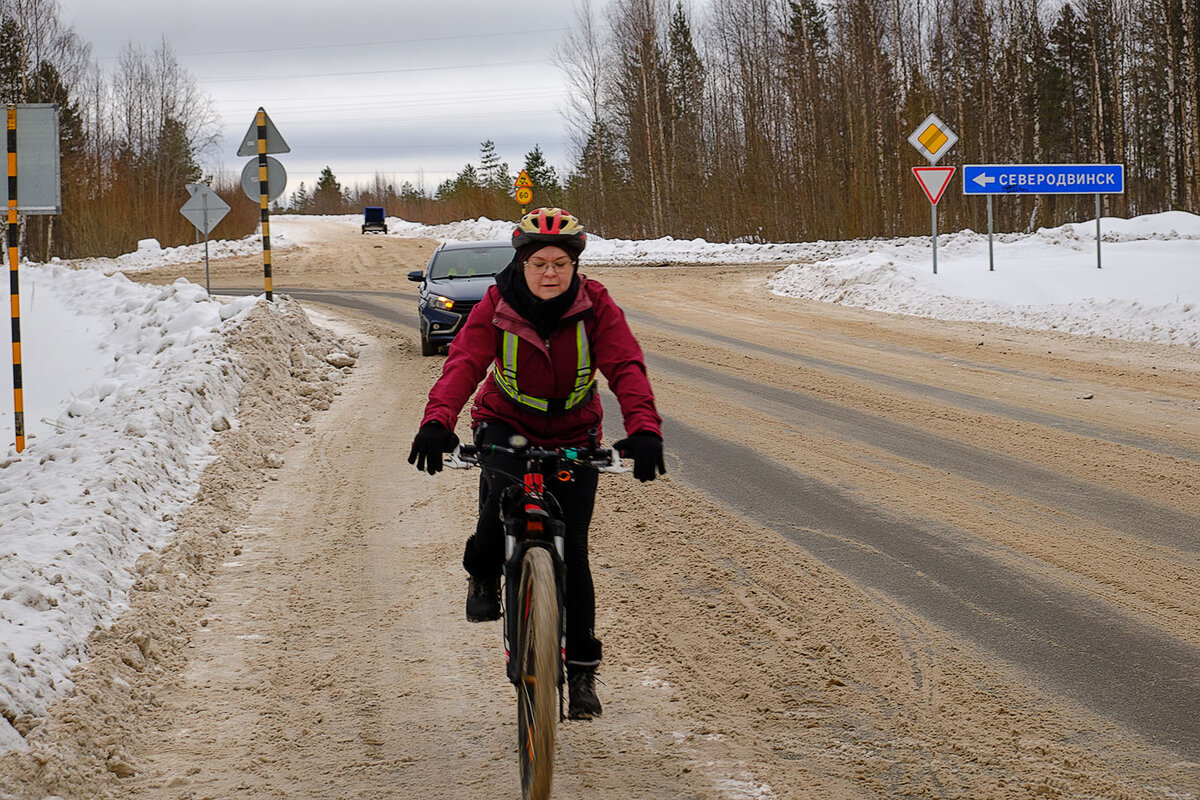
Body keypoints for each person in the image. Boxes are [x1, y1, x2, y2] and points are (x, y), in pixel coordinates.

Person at [408, 207, 665, 719]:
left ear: (575, 266)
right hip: (505, 421)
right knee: (497, 505)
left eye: (560, 264)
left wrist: (644, 429)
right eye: (539, 263)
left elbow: (625, 365)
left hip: (573, 430)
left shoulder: (596, 305)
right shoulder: (497, 304)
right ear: (521, 264)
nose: (550, 273)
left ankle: (581, 669)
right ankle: (484, 574)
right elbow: (464, 362)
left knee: (574, 551)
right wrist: (437, 422)